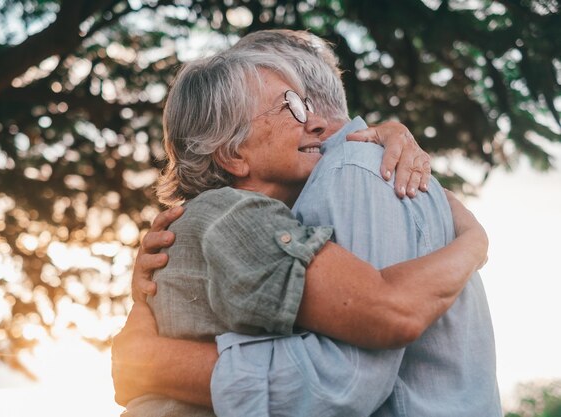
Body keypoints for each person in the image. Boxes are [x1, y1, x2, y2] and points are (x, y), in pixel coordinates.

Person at [112, 31, 493, 417]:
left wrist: (155, 365)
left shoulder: (344, 176)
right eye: (290, 106)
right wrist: (473, 243)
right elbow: (364, 350)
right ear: (231, 152)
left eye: (306, 103)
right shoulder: (232, 215)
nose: (314, 123)